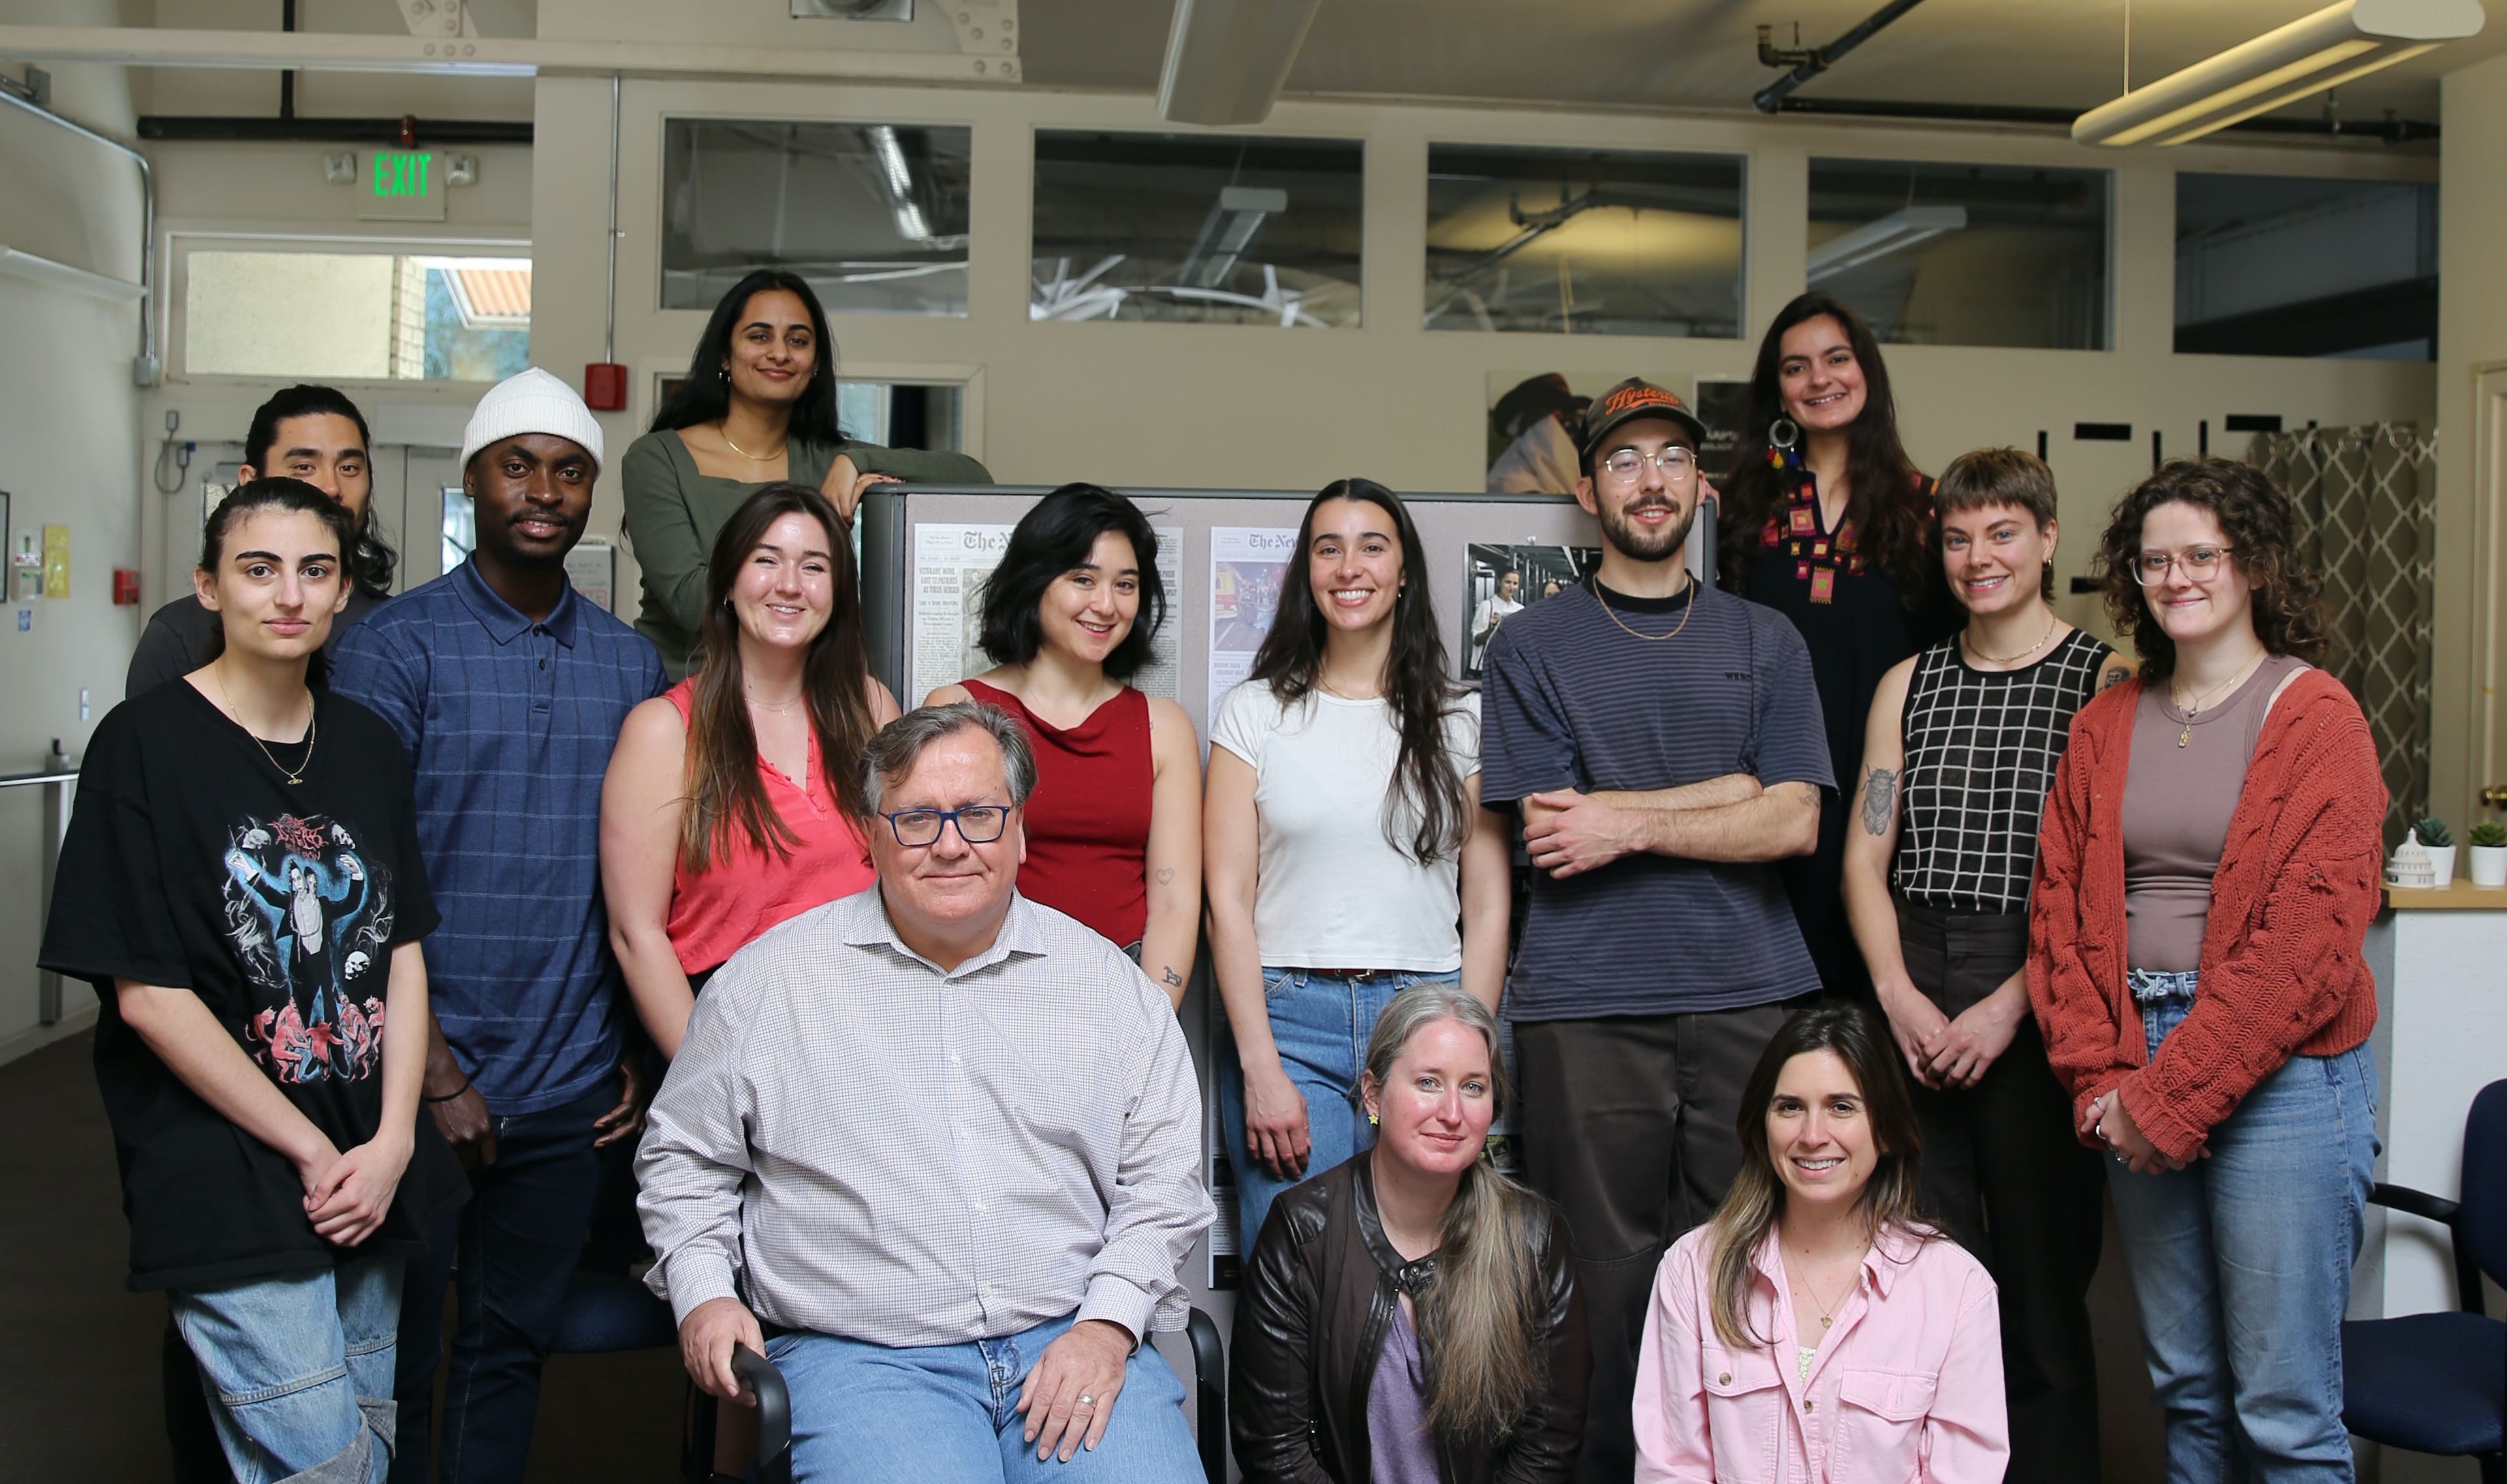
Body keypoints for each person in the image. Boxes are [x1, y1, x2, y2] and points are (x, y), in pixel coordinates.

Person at [636, 701, 1212, 1483]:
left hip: (1069, 1337)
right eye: (916, 819)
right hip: (866, 1359)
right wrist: (703, 1293)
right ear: (871, 834)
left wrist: (1108, 1326)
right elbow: (683, 1160)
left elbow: (1165, 1184)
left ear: (1019, 830)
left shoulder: (1109, 987)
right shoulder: (770, 983)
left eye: (978, 814)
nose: (950, 845)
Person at [40, 479, 462, 1484]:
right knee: (326, 1464)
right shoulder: (142, 744)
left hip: (368, 1157)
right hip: (230, 1165)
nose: (289, 595)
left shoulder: (364, 742)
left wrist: (395, 1137)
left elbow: (399, 948)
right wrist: (315, 1151)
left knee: (372, 1429)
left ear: (343, 592)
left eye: (316, 570)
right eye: (258, 568)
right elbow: (146, 995)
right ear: (208, 587)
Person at [1477, 377, 1831, 1484]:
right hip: (1586, 1008)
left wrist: (1630, 813)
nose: (1650, 479)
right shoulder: (1530, 643)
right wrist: (1727, 788)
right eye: (1623, 460)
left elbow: (1796, 818)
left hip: (1751, 996)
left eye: (1671, 457)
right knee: (1601, 1292)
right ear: (1589, 489)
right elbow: (1552, 832)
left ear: (1700, 483)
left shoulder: (1766, 638)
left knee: (1752, 1275)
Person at [330, 368, 666, 1483]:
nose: (543, 490)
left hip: (570, 1085)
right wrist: (433, 1077)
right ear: (473, 482)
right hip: (412, 1083)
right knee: (391, 1351)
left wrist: (622, 1045)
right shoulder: (396, 650)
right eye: (517, 465)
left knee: (507, 1346)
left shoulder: (629, 664)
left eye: (569, 471)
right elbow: (359, 884)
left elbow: (643, 881)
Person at [2030, 457, 2385, 1483]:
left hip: (2284, 1077)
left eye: (2202, 555)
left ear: (2256, 566)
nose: (2176, 577)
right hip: (2133, 1058)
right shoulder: (2103, 725)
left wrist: (2167, 1098)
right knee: (2186, 1391)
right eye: (2153, 562)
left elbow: (2310, 953)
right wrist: (2102, 1079)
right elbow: (2060, 917)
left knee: (2284, 1412)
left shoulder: (2318, 719)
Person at [1842, 447, 2128, 1483]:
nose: (1979, 557)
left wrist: (2015, 1007)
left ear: (2048, 541)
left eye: (2002, 533)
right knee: (1921, 1279)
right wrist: (1899, 997)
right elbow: (1865, 859)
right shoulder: (1907, 684)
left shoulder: (2104, 687)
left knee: (2046, 1294)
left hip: (2045, 983)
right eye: (1959, 538)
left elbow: (2112, 890)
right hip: (1914, 976)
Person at [1208, 478, 1511, 1257]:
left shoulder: (1460, 717)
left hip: (1426, 1014)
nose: (1351, 566)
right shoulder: (1255, 712)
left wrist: (1468, 1049)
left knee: (1431, 1266)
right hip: (1290, 1019)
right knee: (1296, 1269)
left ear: (1403, 569)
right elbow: (1226, 903)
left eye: (1372, 546)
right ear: (1307, 572)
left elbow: (1486, 902)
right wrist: (1260, 1067)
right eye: (1328, 547)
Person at [1632, 1003, 2010, 1482]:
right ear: (1761, 1123)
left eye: (1841, 1107)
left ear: (1887, 1129)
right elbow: (1671, 1469)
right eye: (1790, 1106)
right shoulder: (1692, 1271)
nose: (1813, 1135)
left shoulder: (1957, 1288)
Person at [1231, 983, 1589, 1483]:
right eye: (1428, 1082)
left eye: (1473, 1086)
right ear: (1374, 1094)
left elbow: (1547, 1445)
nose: (1452, 1112)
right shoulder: (1302, 1231)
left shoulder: (1533, 1237)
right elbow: (1275, 1451)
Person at [1716, 292, 1959, 1003]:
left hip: (1888, 790)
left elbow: (1954, 658)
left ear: (1867, 372)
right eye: (1797, 366)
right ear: (1777, 388)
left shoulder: (1928, 508)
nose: (1819, 379)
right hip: (1763, 788)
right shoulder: (1734, 507)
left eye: (1836, 358)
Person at [603, 482, 900, 1058]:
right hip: (732, 1031)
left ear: (838, 591)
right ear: (728, 583)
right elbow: (636, 935)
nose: (789, 584)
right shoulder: (665, 731)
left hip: (870, 1027)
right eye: (766, 560)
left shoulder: (872, 709)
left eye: (814, 566)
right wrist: (710, 1080)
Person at [622, 268, 993, 677]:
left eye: (797, 340)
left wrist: (858, 463)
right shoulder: (657, 458)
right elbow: (692, 603)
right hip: (684, 695)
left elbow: (974, 479)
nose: (780, 353)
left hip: (798, 696)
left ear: (815, 363)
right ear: (725, 354)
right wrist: (822, 527)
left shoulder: (827, 460)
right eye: (759, 336)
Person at [926, 484, 1200, 1001]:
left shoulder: (1163, 727)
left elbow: (1174, 900)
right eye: (1083, 579)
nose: (1105, 604)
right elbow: (934, 870)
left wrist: (1150, 1025)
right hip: (985, 979)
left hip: (1120, 982)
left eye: (1126, 584)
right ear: (1036, 581)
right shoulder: (957, 709)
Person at [128, 385, 399, 697]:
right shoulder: (179, 634)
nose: (332, 487)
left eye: (349, 468)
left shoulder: (398, 632)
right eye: (304, 467)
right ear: (250, 483)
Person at [1470, 569, 1523, 671]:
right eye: (1508, 582)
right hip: (1485, 667)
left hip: (1510, 667)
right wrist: (1491, 629)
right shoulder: (1486, 606)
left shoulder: (1519, 609)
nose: (1511, 587)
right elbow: (1477, 641)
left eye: (1515, 583)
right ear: (1499, 582)